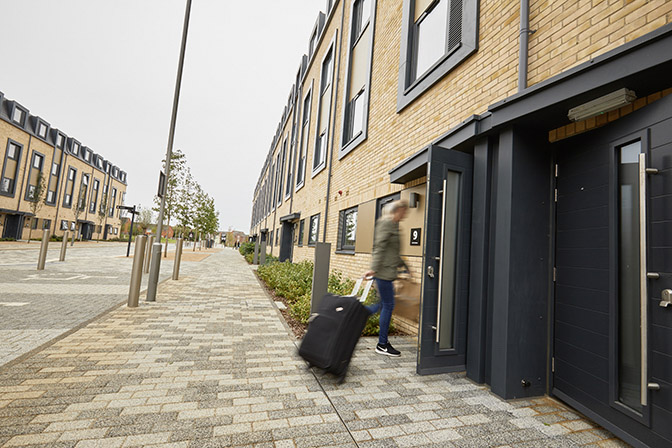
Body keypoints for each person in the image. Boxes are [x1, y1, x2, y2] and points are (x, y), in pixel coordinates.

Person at [364, 199, 409, 357]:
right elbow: (380, 246)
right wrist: (373, 269)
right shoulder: (386, 223)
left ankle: (355, 314)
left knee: (381, 305)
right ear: (398, 210)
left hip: (386, 273)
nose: (405, 215)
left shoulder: (394, 225)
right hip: (382, 274)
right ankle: (382, 344)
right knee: (388, 305)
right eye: (404, 212)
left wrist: (405, 267)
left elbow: (393, 251)